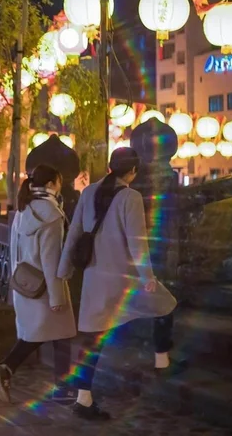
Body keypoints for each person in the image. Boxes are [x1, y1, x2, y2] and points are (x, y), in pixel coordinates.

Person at [58, 147, 180, 421]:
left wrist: (63, 270)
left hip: (94, 279)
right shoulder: (130, 197)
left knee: (92, 340)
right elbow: (137, 242)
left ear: (111, 166)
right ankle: (162, 361)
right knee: (166, 304)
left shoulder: (89, 192)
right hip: (125, 280)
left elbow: (74, 233)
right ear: (133, 171)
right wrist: (148, 277)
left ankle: (84, 399)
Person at [0, 165, 77, 404]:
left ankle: (7, 370)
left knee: (36, 334)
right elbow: (51, 259)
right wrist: (57, 297)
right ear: (51, 184)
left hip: (24, 282)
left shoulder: (23, 209)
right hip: (45, 286)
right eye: (60, 181)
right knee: (60, 335)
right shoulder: (51, 214)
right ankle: (62, 388)